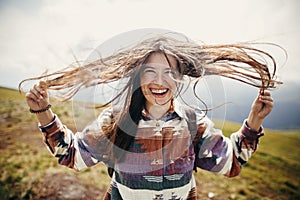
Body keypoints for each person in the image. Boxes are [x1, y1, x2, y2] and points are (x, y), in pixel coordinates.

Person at [20, 33, 281, 200]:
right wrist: (44, 113)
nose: (160, 81)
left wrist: (254, 122)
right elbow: (73, 156)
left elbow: (230, 163)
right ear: (138, 76)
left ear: (179, 78)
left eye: (170, 72)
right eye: (150, 72)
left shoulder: (193, 124)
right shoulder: (115, 121)